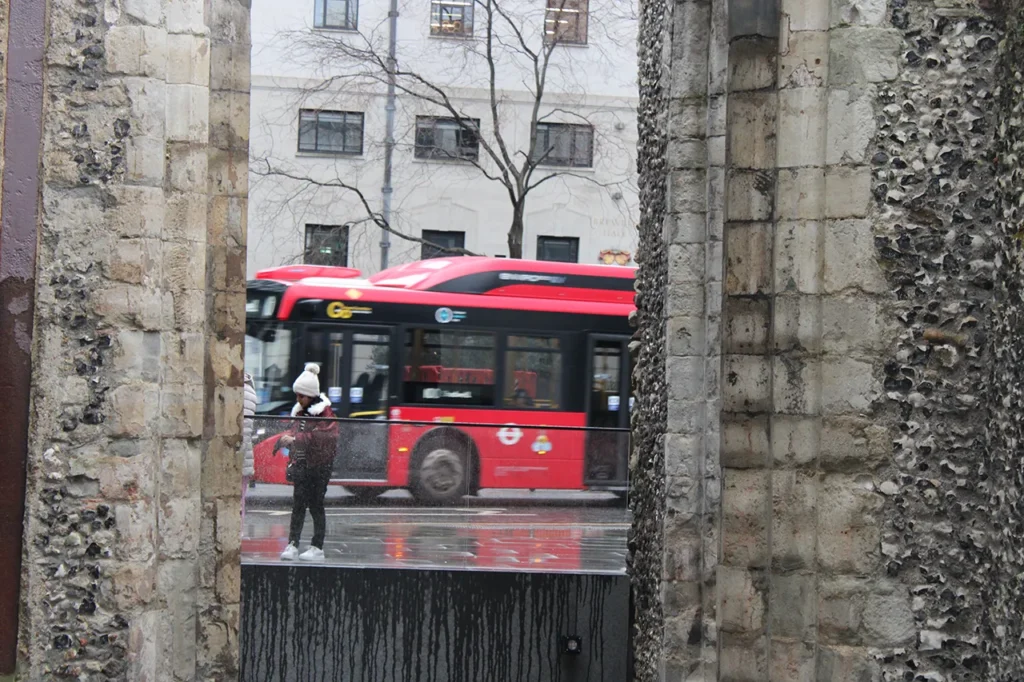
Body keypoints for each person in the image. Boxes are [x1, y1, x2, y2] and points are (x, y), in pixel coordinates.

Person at [277, 363, 338, 562]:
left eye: (301, 396)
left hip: (320, 467)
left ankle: (317, 546)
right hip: (302, 466)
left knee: (316, 505)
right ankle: (292, 544)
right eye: (297, 395)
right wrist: (288, 438)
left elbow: (324, 438)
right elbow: (297, 432)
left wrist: (296, 440)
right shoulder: (301, 412)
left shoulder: (325, 413)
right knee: (298, 506)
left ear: (311, 395)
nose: (298, 399)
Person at [242, 372, 258, 529]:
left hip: (240, 457)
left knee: (238, 503)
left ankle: (234, 536)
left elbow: (245, 429)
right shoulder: (246, 389)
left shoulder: (245, 392)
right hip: (243, 456)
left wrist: (235, 454)